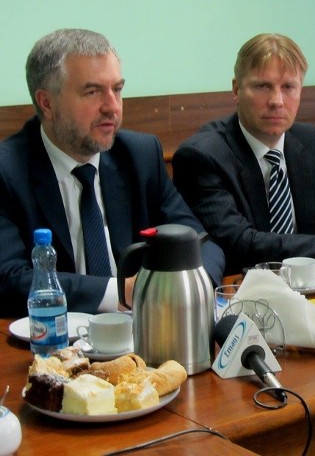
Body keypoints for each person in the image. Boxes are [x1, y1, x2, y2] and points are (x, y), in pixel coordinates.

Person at [0, 28, 225, 317]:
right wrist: (123, 291)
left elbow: (200, 242)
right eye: (92, 92)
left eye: (117, 89)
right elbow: (9, 279)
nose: (112, 107)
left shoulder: (139, 155)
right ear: (47, 103)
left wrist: (194, 288)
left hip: (144, 334)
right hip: (52, 343)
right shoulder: (8, 170)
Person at [172, 33, 315, 275]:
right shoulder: (202, 156)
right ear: (236, 90)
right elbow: (242, 244)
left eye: (288, 87)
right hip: (242, 294)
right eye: (263, 86)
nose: (277, 101)